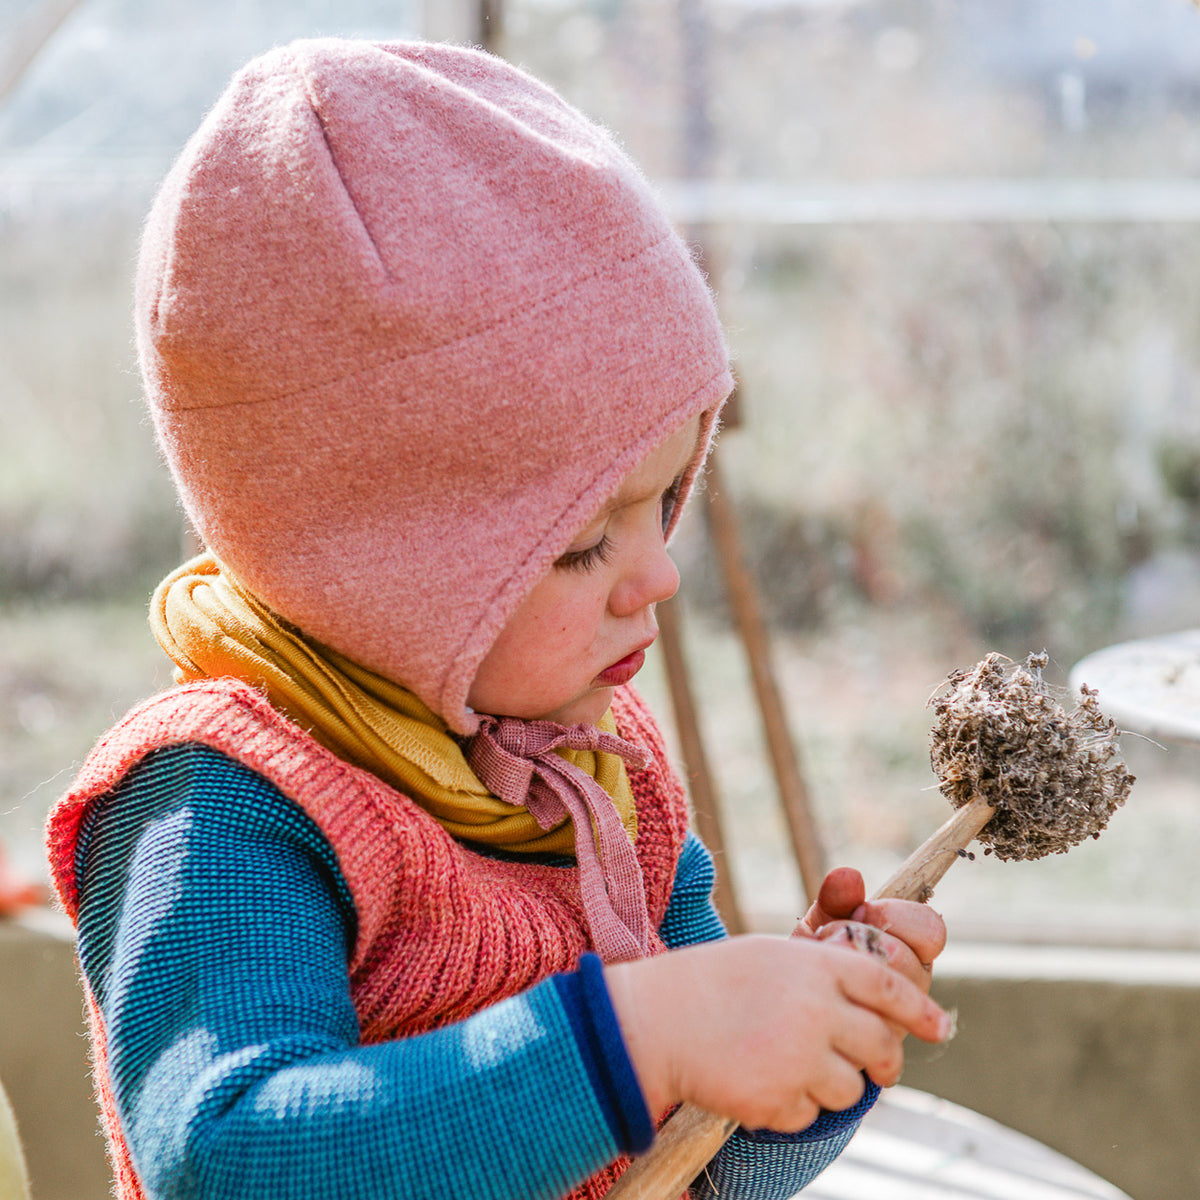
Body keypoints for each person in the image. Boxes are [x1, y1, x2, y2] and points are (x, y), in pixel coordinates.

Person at [45, 38, 949, 1200]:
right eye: (580, 543)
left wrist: (805, 1045)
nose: (658, 575)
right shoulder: (221, 804)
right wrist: (644, 1037)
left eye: (665, 500)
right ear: (372, 562)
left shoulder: (601, 768)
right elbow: (224, 1160)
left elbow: (699, 1174)